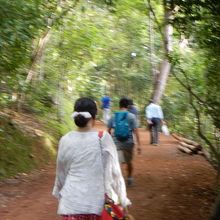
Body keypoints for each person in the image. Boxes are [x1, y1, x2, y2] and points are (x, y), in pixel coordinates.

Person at [52, 97, 131, 220]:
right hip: (96, 206)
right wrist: (123, 200)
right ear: (94, 117)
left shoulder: (65, 139)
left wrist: (62, 196)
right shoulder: (103, 138)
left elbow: (61, 174)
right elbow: (115, 173)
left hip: (71, 205)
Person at [108, 97, 141, 186]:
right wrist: (139, 145)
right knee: (129, 161)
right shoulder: (131, 116)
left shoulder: (113, 116)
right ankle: (129, 178)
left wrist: (110, 141)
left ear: (119, 105)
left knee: (117, 162)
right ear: (128, 106)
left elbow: (108, 130)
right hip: (128, 142)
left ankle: (118, 180)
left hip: (116, 142)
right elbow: (136, 131)